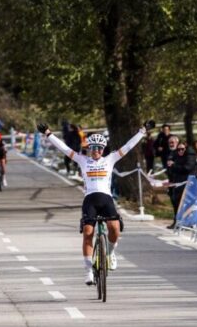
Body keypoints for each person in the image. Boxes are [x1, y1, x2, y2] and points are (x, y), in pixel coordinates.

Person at [39, 119, 154, 285]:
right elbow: (64, 149)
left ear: (103, 149)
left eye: (99, 148)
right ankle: (88, 271)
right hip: (90, 199)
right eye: (93, 148)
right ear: (89, 149)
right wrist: (48, 134)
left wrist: (142, 131)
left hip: (106, 198)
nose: (96, 151)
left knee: (114, 228)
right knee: (87, 232)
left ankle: (110, 252)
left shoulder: (110, 159)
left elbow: (128, 147)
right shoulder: (82, 160)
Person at [165, 137, 196, 228]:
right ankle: (177, 221)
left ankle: (188, 222)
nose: (180, 151)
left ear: (185, 148)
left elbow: (187, 168)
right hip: (175, 182)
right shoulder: (175, 154)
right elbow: (171, 167)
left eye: (182, 149)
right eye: (179, 149)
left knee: (186, 203)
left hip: (187, 183)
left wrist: (174, 165)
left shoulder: (190, 155)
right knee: (175, 202)